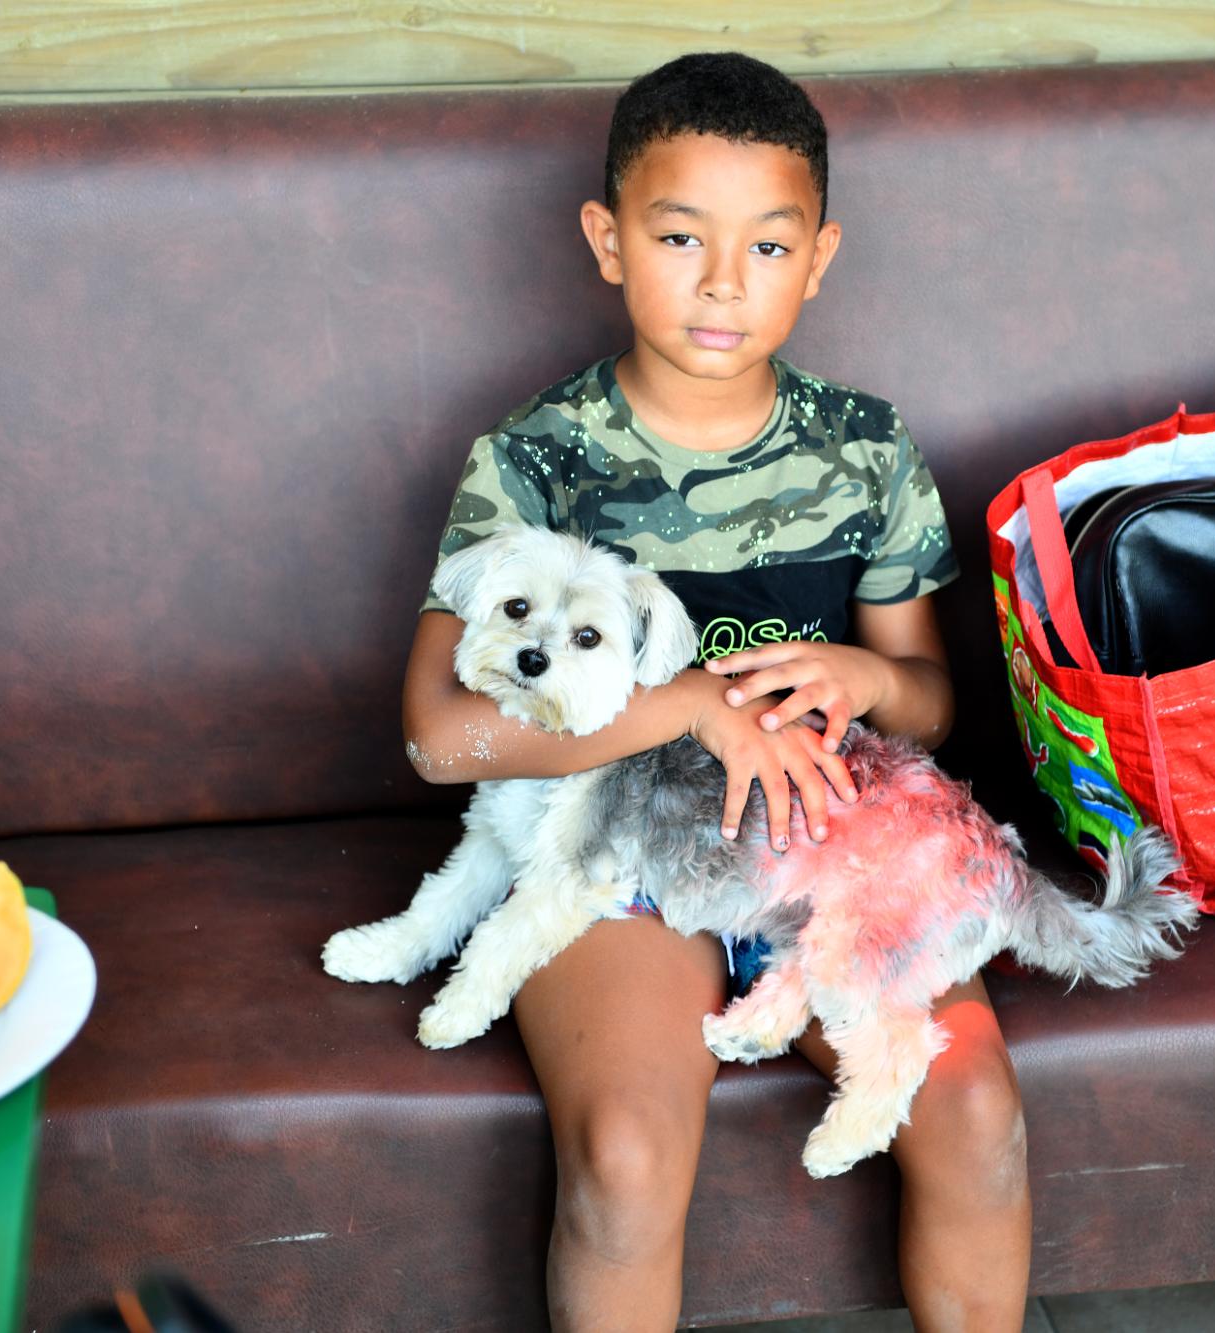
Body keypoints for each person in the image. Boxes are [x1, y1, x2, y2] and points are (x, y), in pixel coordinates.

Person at [402, 52, 1030, 1332]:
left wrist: (869, 674)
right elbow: (439, 737)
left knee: (972, 1108)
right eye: (680, 236)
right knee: (626, 1156)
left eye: (767, 245)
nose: (722, 282)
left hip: (819, 849)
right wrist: (690, 702)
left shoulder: (864, 449)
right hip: (604, 862)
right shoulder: (532, 462)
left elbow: (928, 703)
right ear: (608, 240)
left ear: (818, 258)